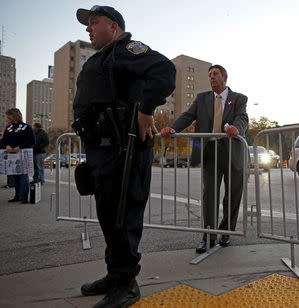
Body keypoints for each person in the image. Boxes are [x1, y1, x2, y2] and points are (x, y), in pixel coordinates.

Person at [73, 5, 175, 308]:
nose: (88, 29)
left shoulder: (127, 50)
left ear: (114, 27)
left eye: (94, 22)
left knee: (122, 218)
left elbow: (165, 71)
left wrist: (145, 111)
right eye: (87, 24)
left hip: (124, 151)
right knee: (109, 217)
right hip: (103, 151)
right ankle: (115, 275)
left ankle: (127, 285)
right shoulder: (104, 57)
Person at [161, 64, 248, 254]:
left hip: (233, 151)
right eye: (209, 75)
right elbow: (187, 116)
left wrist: (236, 129)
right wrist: (172, 128)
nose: (212, 78)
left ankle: (225, 231)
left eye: (215, 74)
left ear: (225, 77)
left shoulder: (239, 99)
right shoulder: (202, 99)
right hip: (210, 150)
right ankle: (208, 236)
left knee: (233, 195)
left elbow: (242, 118)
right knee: (210, 195)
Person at [0, 108, 35, 203]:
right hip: (11, 156)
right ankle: (17, 196)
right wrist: (6, 145)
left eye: (9, 115)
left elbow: (32, 141)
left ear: (15, 115)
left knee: (23, 176)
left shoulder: (26, 127)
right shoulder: (8, 128)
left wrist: (20, 147)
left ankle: (23, 197)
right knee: (15, 176)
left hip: (23, 155)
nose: (7, 117)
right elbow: (3, 141)